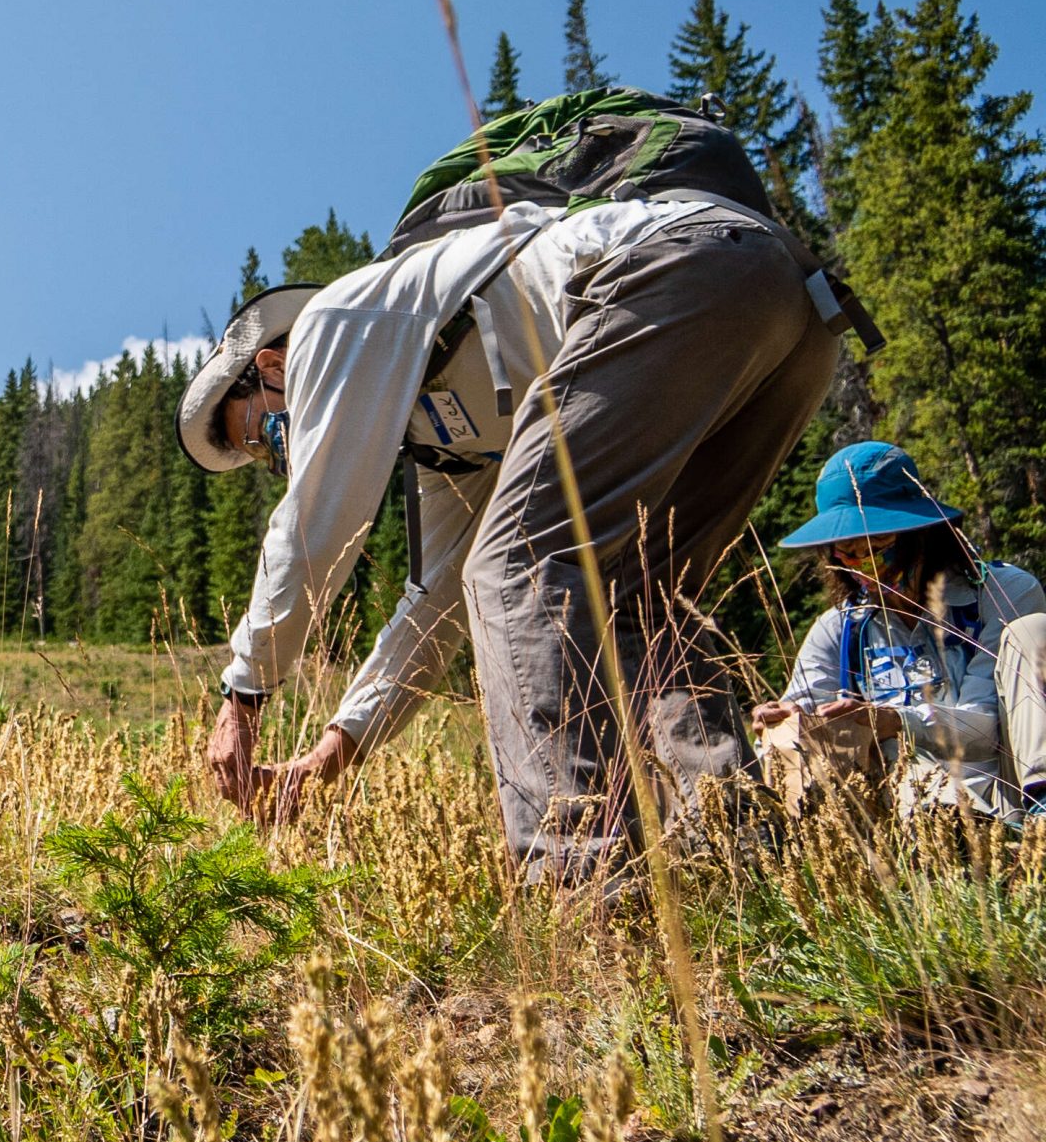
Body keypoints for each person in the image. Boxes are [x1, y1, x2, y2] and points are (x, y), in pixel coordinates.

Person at [186, 189, 841, 880]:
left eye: (262, 431)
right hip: (788, 306)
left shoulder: (330, 323)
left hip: (669, 270)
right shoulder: (448, 443)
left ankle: (582, 886)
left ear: (269, 367)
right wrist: (332, 753)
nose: (275, 454)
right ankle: (738, 872)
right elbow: (434, 608)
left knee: (517, 566)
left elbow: (315, 523)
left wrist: (244, 696)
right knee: (641, 597)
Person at [757, 441, 1046, 819]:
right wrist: (785, 720)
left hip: (1003, 792)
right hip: (904, 816)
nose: (865, 562)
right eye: (847, 548)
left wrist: (895, 720)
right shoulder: (840, 630)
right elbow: (805, 716)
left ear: (921, 534)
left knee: (1033, 632)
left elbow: (983, 729)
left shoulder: (1004, 594)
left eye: (879, 542)